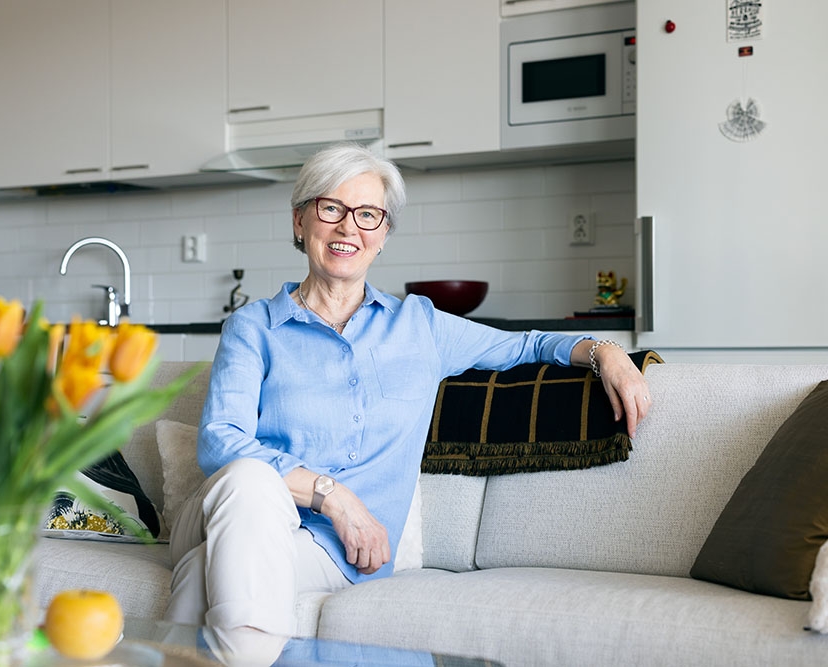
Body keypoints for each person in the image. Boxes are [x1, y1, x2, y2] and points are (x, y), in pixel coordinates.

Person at [163, 143, 651, 648]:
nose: (348, 227)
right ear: (299, 221)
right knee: (250, 481)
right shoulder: (254, 326)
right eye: (330, 208)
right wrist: (334, 497)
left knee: (204, 575)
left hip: (334, 551)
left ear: (383, 235)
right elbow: (221, 441)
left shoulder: (420, 326)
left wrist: (607, 352)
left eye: (367, 214)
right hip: (229, 511)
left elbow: (526, 345)